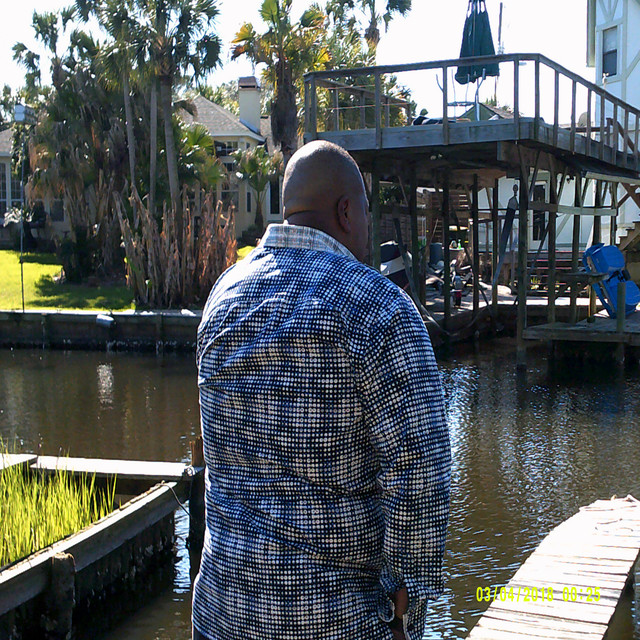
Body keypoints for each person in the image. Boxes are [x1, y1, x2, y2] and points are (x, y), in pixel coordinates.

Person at [193, 140, 451, 640]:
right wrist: (406, 610)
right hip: (337, 620)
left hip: (221, 610)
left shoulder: (222, 297)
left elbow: (217, 457)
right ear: (347, 211)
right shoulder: (380, 308)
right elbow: (421, 476)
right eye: (367, 212)